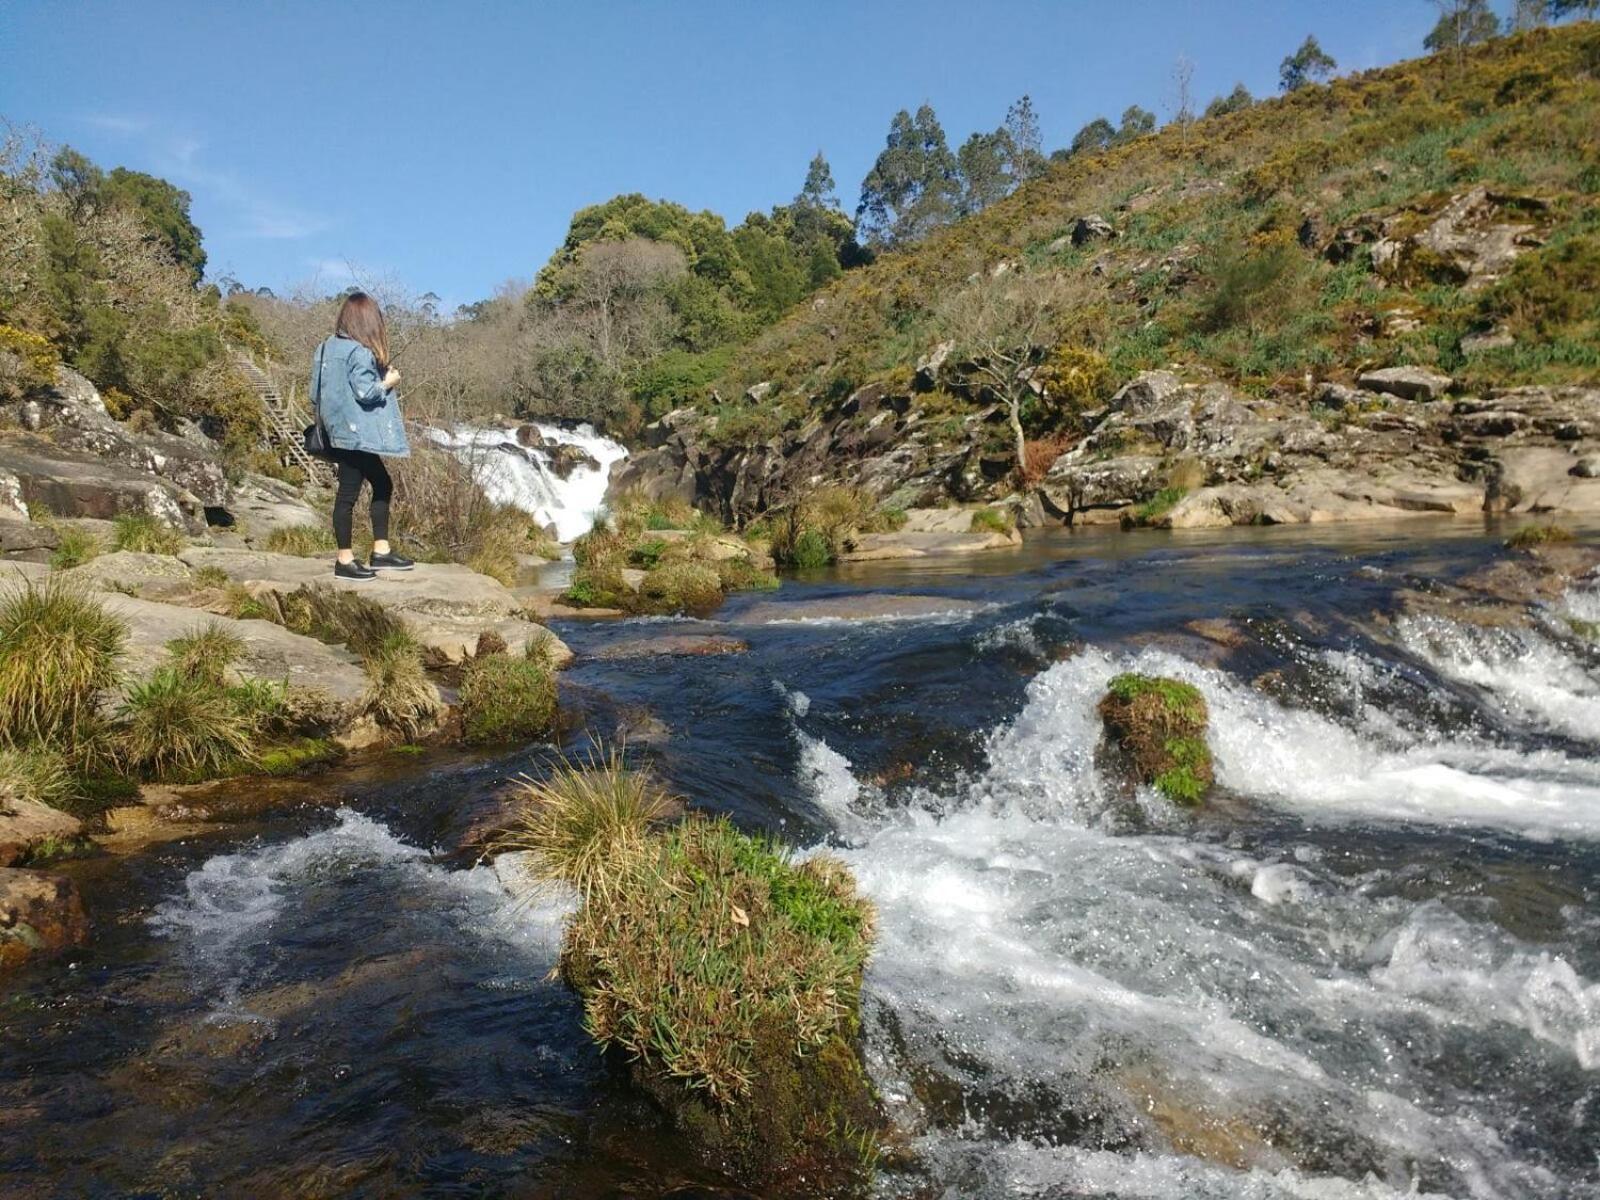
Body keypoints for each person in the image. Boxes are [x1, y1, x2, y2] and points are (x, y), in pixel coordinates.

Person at [310, 292, 414, 580]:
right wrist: (388, 383)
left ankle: (381, 551)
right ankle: (345, 560)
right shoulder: (359, 352)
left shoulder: (323, 349)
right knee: (349, 494)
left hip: (334, 432)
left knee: (381, 482)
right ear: (368, 321)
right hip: (355, 436)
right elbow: (366, 393)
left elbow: (312, 393)